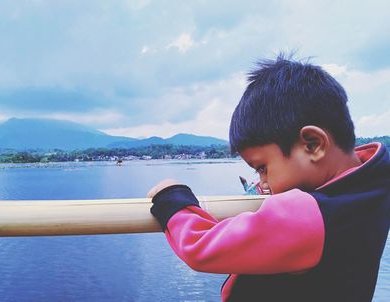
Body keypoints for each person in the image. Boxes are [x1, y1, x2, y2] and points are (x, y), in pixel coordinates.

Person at [147, 55, 390, 302]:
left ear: (313, 145)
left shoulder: (313, 216)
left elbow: (200, 247)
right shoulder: (374, 185)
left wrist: (173, 199)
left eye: (262, 167)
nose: (262, 183)